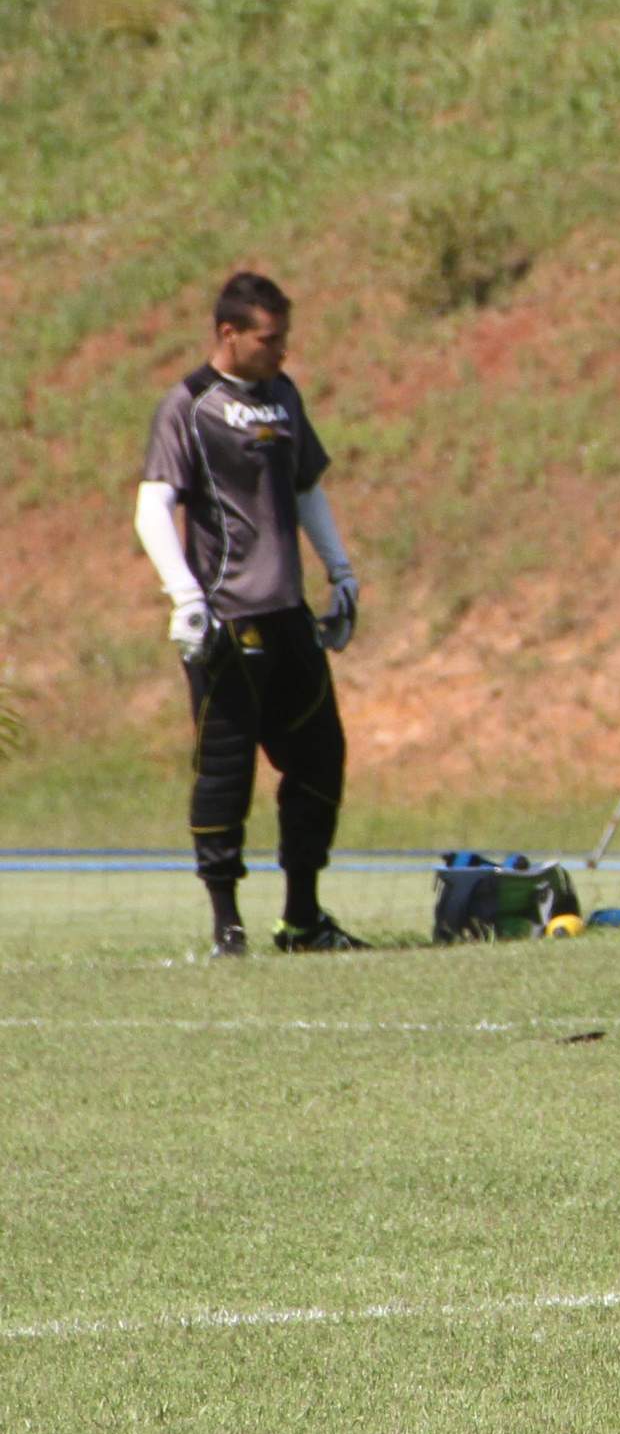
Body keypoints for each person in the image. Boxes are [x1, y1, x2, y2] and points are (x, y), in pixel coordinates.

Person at [134, 271, 366, 959]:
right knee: (226, 772)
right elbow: (154, 506)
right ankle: (226, 925)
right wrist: (186, 596)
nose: (281, 352)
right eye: (270, 339)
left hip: (289, 614)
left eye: (285, 338)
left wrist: (342, 573)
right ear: (228, 333)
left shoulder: (283, 397)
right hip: (228, 623)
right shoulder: (188, 405)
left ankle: (303, 916)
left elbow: (306, 490)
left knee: (321, 758)